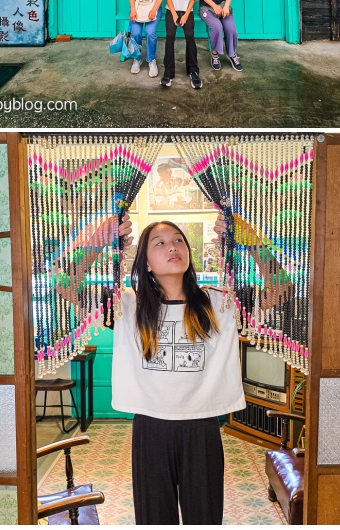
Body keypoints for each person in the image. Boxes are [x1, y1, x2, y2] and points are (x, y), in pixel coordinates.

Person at [111, 218, 244, 524]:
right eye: (160, 243)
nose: (172, 247)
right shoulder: (127, 306)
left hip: (202, 427)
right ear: (145, 263)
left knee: (205, 519)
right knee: (154, 519)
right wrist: (99, 243)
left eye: (178, 240)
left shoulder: (220, 303)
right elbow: (65, 287)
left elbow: (282, 291)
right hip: (150, 428)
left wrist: (248, 241)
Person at [162, 0, 202, 89]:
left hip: (187, 11)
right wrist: (174, 14)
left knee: (190, 36)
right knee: (170, 36)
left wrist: (185, 15)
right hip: (172, 10)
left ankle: (193, 71)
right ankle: (168, 73)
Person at [128, 0, 166, 78]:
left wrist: (154, 10)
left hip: (154, 6)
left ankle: (151, 60)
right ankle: (137, 58)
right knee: (136, 33)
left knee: (150, 33)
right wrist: (133, 10)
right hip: (139, 6)